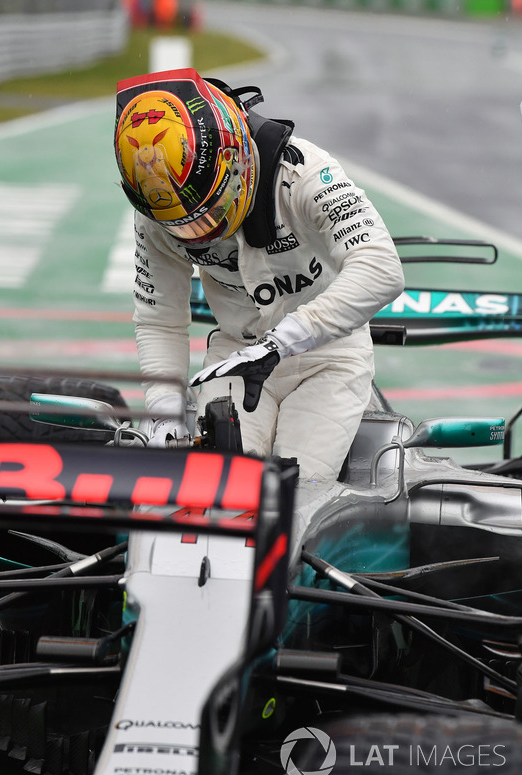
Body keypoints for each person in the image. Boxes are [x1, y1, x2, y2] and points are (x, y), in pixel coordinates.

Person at [114, 68, 405, 480]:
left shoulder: (306, 173)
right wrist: (164, 409)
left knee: (295, 491)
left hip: (329, 357)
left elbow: (382, 269)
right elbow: (160, 320)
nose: (195, 231)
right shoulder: (155, 216)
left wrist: (285, 339)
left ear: (235, 160)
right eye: (178, 224)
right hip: (236, 356)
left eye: (209, 209)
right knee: (216, 492)